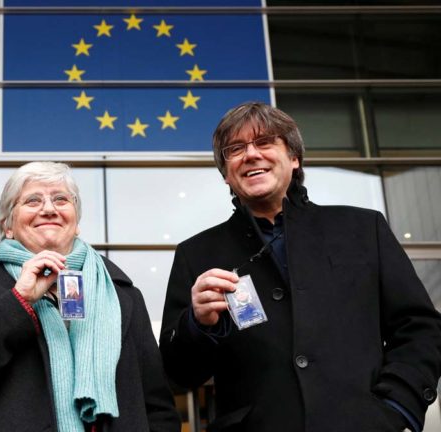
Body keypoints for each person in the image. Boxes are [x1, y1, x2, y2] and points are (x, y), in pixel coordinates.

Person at [159, 101, 441, 432]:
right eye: (235, 149)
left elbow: (419, 328)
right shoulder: (197, 254)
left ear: (294, 158)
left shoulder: (363, 229)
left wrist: (395, 408)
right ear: (226, 174)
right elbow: (177, 375)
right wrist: (197, 324)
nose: (251, 154)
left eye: (265, 142)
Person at [0, 162, 180, 431]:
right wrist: (17, 301)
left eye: (61, 199)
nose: (49, 209)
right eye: (32, 200)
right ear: (8, 226)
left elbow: (157, 406)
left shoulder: (121, 295)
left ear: (76, 221)